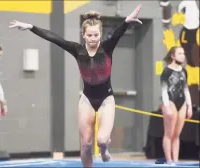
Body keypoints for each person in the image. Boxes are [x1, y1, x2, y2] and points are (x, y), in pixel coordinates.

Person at [9, 4, 142, 167]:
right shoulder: (77, 49)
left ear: (100, 35)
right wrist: (31, 27)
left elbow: (117, 34)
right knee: (85, 145)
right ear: (84, 35)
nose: (94, 38)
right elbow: (54, 38)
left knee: (100, 139)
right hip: (86, 99)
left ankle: (104, 147)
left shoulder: (107, 48)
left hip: (106, 99)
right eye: (90, 35)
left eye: (96, 35)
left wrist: (127, 21)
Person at [157, 46, 192, 165]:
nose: (183, 55)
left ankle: (175, 161)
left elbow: (186, 89)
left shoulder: (184, 71)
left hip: (182, 103)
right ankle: (169, 160)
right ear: (173, 56)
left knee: (177, 134)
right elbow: (163, 90)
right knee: (169, 133)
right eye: (180, 53)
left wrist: (189, 106)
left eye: (183, 53)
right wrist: (166, 107)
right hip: (170, 101)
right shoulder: (166, 71)